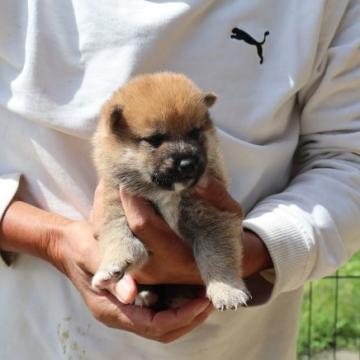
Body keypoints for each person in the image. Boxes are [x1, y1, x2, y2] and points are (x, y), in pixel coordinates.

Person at [0, 1, 359, 359]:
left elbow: (348, 160)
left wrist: (257, 251)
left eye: (194, 135)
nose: (183, 155)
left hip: (239, 342)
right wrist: (51, 240)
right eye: (155, 142)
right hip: (40, 332)